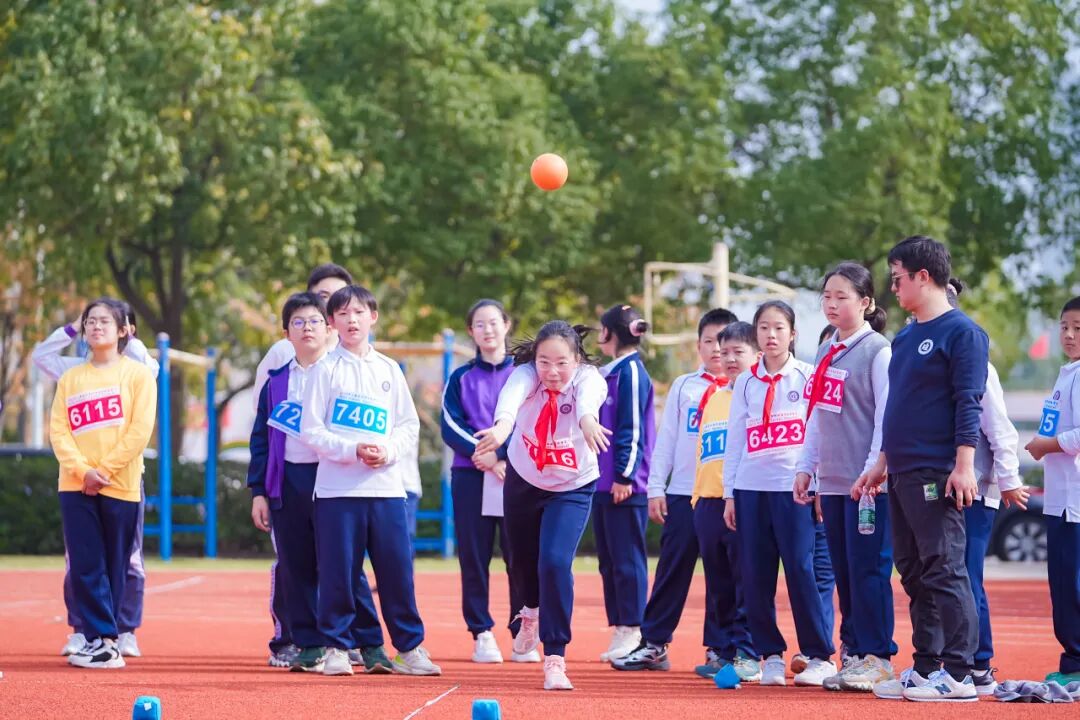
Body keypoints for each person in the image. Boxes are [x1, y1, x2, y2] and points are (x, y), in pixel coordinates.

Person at [857, 236, 987, 702]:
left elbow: (968, 403)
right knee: (913, 571)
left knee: (945, 568)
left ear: (923, 277)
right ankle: (927, 666)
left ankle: (961, 674)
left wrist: (964, 465)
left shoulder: (963, 333)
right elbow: (898, 407)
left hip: (937, 470)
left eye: (898, 279)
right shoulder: (906, 337)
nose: (893, 289)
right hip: (901, 472)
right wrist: (881, 463)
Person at [300, 285, 440, 677]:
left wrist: (388, 451)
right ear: (332, 322)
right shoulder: (324, 370)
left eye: (359, 312)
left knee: (397, 572)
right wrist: (352, 450)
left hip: (387, 490)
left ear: (373, 317)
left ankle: (409, 648)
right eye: (343, 314)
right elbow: (311, 430)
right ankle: (337, 648)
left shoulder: (389, 370)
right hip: (337, 492)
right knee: (339, 574)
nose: (352, 320)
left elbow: (408, 425)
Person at [473, 321, 611, 690]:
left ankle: (555, 658)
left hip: (572, 485)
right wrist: (500, 431)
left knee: (554, 562)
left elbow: (588, 405)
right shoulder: (524, 376)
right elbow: (509, 403)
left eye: (561, 363)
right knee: (519, 559)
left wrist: (587, 422)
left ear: (576, 360)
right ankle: (530, 612)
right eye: (544, 362)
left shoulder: (589, 379)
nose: (552, 371)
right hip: (524, 478)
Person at [794, 262, 897, 692]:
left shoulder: (878, 351)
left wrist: (872, 470)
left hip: (867, 485)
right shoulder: (825, 351)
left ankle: (878, 656)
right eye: (827, 297)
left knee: (869, 569)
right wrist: (807, 467)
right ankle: (854, 652)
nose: (832, 304)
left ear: (866, 302)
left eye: (842, 297)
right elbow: (818, 416)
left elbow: (886, 419)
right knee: (845, 571)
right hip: (834, 483)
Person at [723, 301, 837, 687]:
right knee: (756, 575)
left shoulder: (808, 376)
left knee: (801, 570)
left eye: (778, 328)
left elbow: (819, 432)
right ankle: (770, 655)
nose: (770, 335)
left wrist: (818, 483)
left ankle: (818, 655)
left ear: (792, 334)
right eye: (763, 328)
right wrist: (729, 494)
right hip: (751, 488)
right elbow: (736, 439)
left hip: (794, 489)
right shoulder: (745, 382)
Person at [33, 307, 157, 659]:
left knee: (119, 565)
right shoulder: (71, 376)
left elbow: (139, 431)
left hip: (121, 484)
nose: (95, 326)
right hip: (75, 484)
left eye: (105, 321)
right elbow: (59, 431)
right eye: (90, 321)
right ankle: (97, 639)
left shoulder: (138, 374)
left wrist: (103, 470)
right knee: (84, 564)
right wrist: (82, 471)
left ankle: (112, 638)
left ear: (124, 330)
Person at [251, 262, 352, 668]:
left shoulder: (345, 371)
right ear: (286, 331)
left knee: (340, 563)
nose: (308, 327)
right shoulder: (277, 379)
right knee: (295, 564)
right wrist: (259, 491)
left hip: (333, 478)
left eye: (315, 320)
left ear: (329, 327)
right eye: (298, 321)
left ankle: (346, 640)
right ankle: (304, 642)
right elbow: (261, 438)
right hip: (288, 480)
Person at [440, 299, 531, 663]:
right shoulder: (460, 378)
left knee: (519, 557)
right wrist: (484, 456)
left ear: (506, 325)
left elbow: (531, 420)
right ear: (471, 332)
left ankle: (522, 632)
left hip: (516, 474)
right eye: (479, 324)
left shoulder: (525, 375)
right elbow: (450, 424)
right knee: (474, 557)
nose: (487, 330)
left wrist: (502, 454)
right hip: (470, 475)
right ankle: (481, 633)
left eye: (493, 322)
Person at [593, 304, 656, 662]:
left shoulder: (630, 372)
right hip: (602, 483)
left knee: (627, 558)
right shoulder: (612, 372)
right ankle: (621, 625)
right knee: (610, 559)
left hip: (624, 485)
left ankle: (632, 628)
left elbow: (631, 428)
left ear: (610, 332)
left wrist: (624, 475)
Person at [1025, 295, 1080, 686]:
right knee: (1061, 584)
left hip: (1075, 502)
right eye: (1064, 327)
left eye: (1078, 328)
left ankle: (1076, 663)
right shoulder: (1067, 374)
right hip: (1060, 500)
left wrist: (1047, 445)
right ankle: (1072, 661)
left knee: (1072, 584)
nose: (1069, 335)